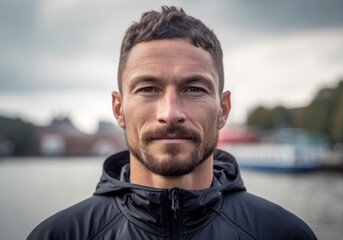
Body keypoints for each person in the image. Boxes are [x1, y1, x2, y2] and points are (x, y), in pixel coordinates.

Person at [27, 6, 317, 240]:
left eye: (193, 89)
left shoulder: (284, 234)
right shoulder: (58, 235)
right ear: (119, 109)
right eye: (148, 89)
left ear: (223, 109)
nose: (170, 112)